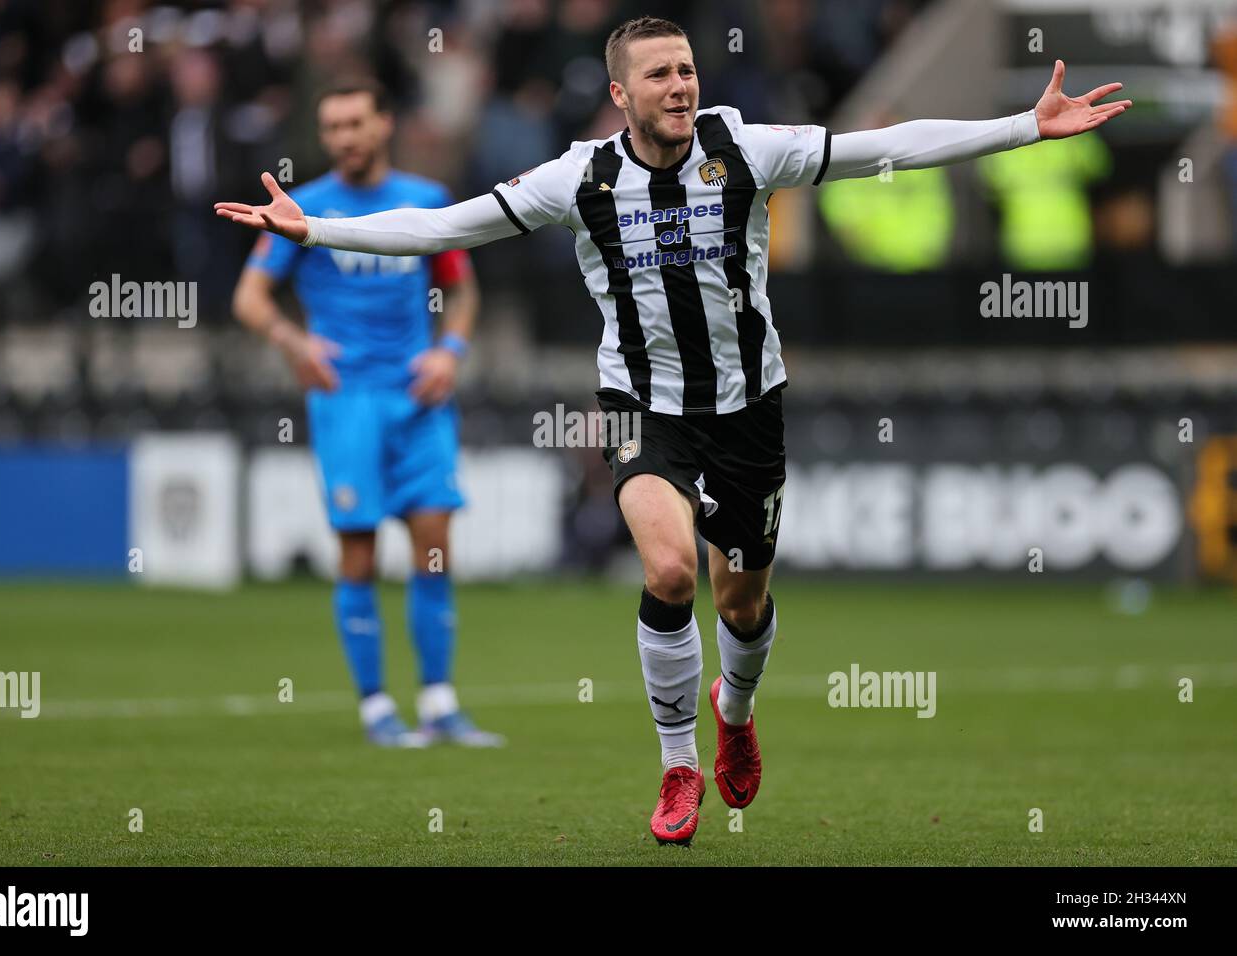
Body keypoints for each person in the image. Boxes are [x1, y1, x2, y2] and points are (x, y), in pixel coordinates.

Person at [217, 18, 1130, 842]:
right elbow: (444, 226)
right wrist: (316, 230)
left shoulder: (744, 145)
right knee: (667, 569)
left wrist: (1020, 127)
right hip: (642, 406)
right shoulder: (579, 177)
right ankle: (678, 764)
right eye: (659, 74)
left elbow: (883, 145)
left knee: (742, 601)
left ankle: (735, 713)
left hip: (749, 406)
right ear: (622, 94)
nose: (681, 86)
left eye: (687, 69)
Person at [230, 78, 503, 749]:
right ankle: (377, 707)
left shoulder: (426, 201)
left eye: (355, 123)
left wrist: (451, 352)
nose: (344, 138)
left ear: (384, 124)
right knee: (358, 553)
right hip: (345, 400)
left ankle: (439, 703)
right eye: (332, 128)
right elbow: (250, 298)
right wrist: (293, 342)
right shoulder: (306, 208)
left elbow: (462, 294)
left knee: (434, 551)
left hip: (418, 397)